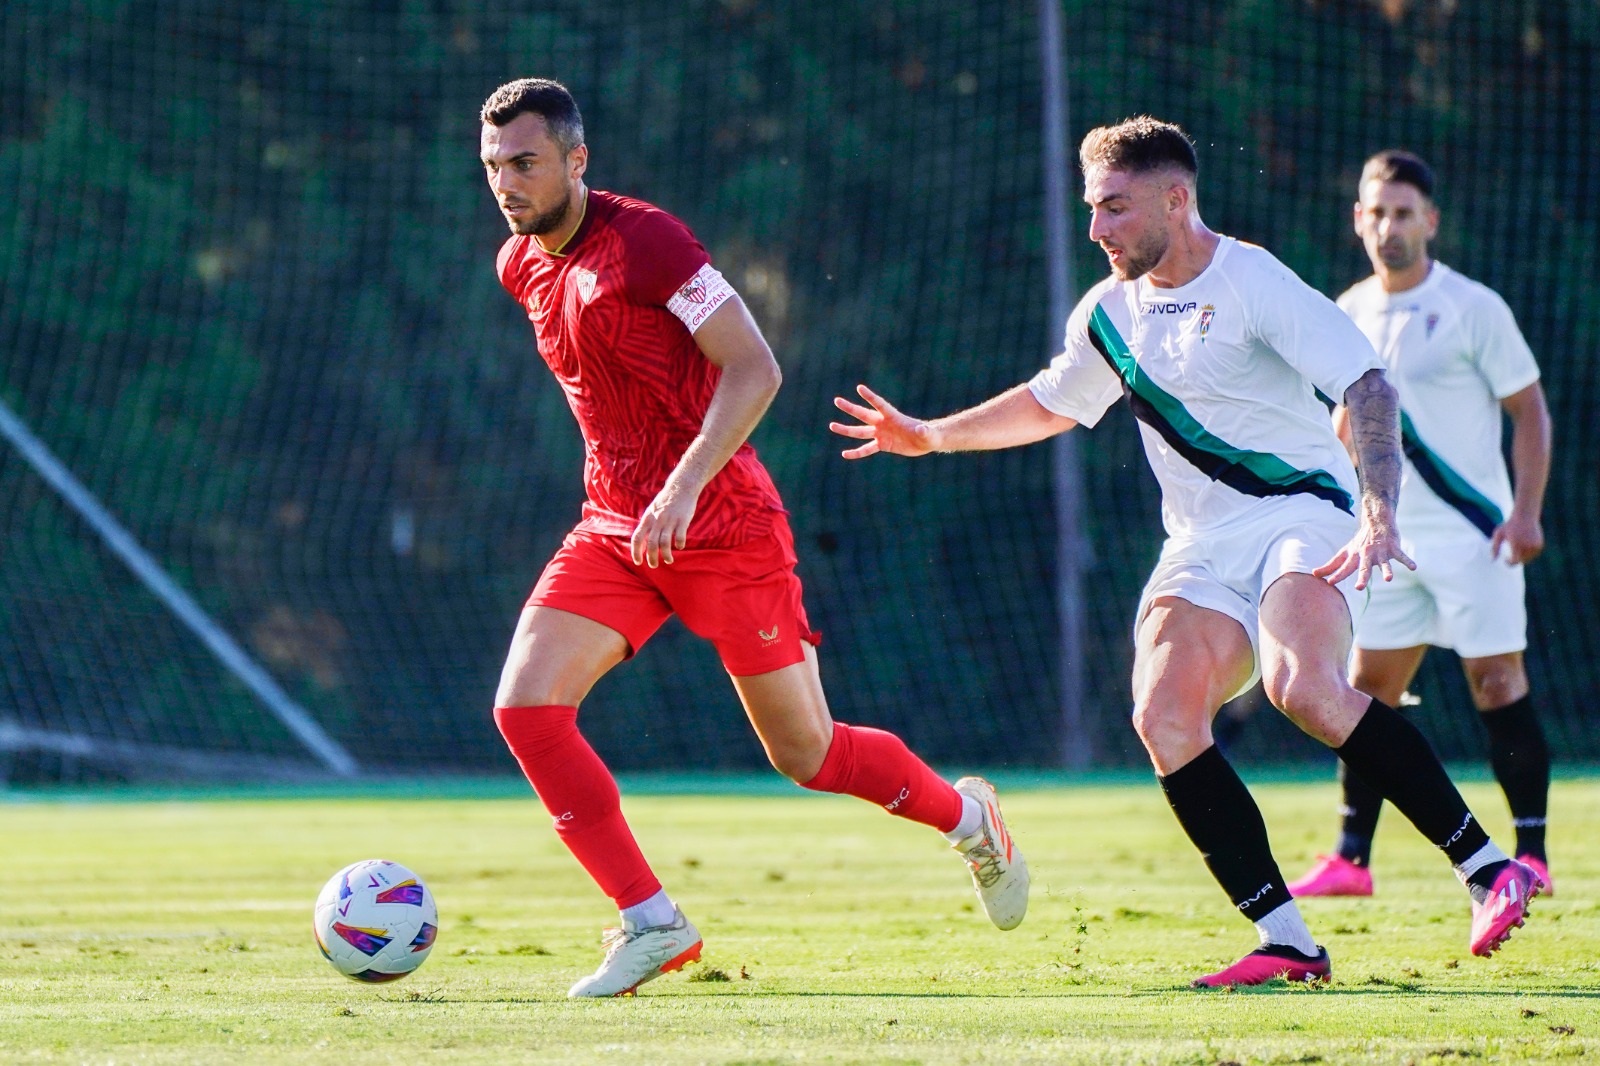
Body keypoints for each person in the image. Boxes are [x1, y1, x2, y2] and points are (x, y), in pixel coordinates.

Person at [829, 117, 1542, 988]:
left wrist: (1378, 510)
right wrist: (930, 436)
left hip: (1301, 510)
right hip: (1203, 541)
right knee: (1163, 715)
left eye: (1115, 208)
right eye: (1092, 209)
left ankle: (1487, 868)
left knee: (1302, 686)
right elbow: (1054, 403)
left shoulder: (1251, 279)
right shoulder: (1108, 313)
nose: (1097, 229)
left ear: (1177, 198)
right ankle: (1288, 942)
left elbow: (1367, 383)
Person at [478, 78, 1028, 999]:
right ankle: (652, 923)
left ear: (578, 160)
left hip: (722, 525)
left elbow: (755, 367)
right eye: (494, 165)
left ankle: (969, 817)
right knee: (525, 709)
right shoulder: (518, 263)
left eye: (525, 162)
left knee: (807, 755)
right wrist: (641, 495)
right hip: (616, 528)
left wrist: (684, 486)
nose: (506, 182)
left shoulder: (650, 241)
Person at [1289, 151, 1555, 900]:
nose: (1388, 227)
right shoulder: (1344, 310)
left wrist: (1526, 511)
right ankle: (1350, 859)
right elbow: (1339, 422)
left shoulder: (1474, 306)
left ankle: (1531, 853)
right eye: (1376, 212)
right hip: (1388, 543)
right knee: (1365, 688)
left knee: (1497, 683)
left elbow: (1529, 409)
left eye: (1403, 213)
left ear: (1430, 221)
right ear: (1358, 220)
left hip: (1478, 536)